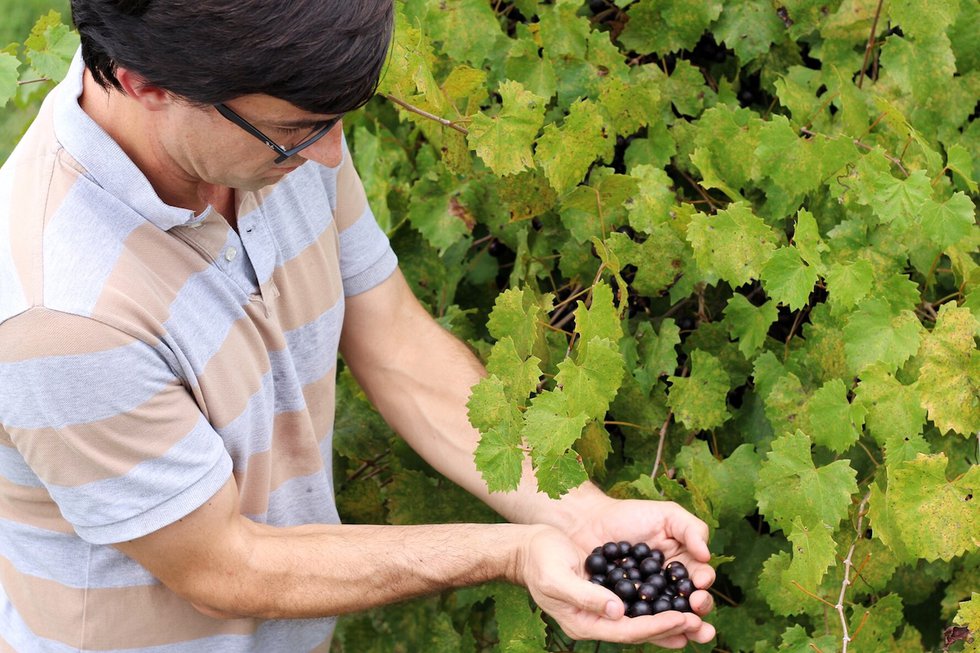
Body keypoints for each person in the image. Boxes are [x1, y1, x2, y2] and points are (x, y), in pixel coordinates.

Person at [0, 1, 716, 650]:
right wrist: (510, 551)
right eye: (297, 131)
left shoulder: (270, 124)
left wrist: (577, 516)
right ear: (145, 84)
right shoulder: (59, 314)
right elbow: (224, 565)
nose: (331, 156)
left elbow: (396, 344)